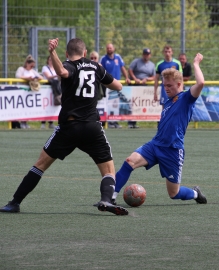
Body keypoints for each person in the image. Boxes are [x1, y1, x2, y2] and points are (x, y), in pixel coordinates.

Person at [0, 37, 128, 215]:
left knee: (40, 165)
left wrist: (52, 52)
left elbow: (62, 71)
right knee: (108, 170)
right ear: (85, 53)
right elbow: (119, 86)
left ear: (67, 54)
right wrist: (101, 76)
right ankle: (106, 199)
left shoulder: (69, 65)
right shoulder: (96, 67)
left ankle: (15, 202)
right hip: (92, 127)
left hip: (69, 127)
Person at [111, 53, 207, 206]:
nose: (166, 88)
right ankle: (111, 197)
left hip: (172, 150)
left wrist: (196, 63)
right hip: (155, 145)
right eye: (164, 85)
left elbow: (201, 83)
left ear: (179, 84)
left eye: (170, 86)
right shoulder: (168, 103)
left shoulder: (186, 99)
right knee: (129, 162)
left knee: (173, 193)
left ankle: (195, 193)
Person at [100, 43, 130, 129]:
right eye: (108, 48)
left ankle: (115, 121)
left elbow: (122, 68)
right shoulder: (104, 59)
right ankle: (108, 121)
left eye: (111, 48)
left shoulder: (118, 57)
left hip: (116, 84)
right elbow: (100, 69)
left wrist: (127, 77)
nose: (109, 49)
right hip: (107, 84)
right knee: (108, 103)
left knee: (116, 103)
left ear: (114, 48)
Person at [127, 48, 156, 128]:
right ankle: (131, 123)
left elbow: (154, 76)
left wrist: (147, 79)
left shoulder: (152, 65)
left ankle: (135, 122)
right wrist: (134, 78)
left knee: (140, 104)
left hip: (144, 87)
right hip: (135, 84)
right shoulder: (136, 61)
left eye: (148, 54)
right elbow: (130, 70)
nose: (146, 55)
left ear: (150, 55)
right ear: (143, 54)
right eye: (145, 54)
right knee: (132, 104)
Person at [15, 55, 43, 129]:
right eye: (31, 66)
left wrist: (35, 78)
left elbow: (40, 77)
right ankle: (19, 122)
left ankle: (25, 122)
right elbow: (18, 76)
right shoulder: (21, 69)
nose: (32, 67)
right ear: (27, 63)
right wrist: (28, 78)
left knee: (27, 108)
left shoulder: (32, 71)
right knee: (21, 107)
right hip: (21, 91)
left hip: (29, 93)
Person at [41, 55, 58, 129]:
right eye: (50, 59)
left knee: (52, 105)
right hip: (47, 89)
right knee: (45, 105)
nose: (51, 61)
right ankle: (43, 123)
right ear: (48, 60)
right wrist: (57, 75)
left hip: (55, 89)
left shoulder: (56, 68)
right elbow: (48, 76)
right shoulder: (45, 68)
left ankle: (51, 122)